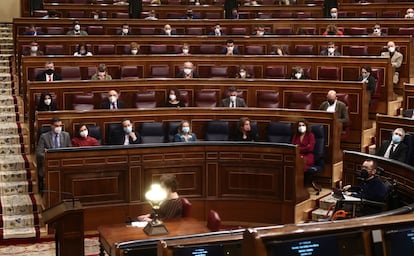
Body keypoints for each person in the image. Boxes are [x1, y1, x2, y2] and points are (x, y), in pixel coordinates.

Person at [37, 117, 72, 190]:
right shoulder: (44, 137)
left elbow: (70, 150)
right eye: (56, 126)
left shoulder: (66, 135)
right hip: (49, 163)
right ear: (51, 126)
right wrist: (50, 157)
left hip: (63, 162)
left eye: (60, 126)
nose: (59, 128)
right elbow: (39, 153)